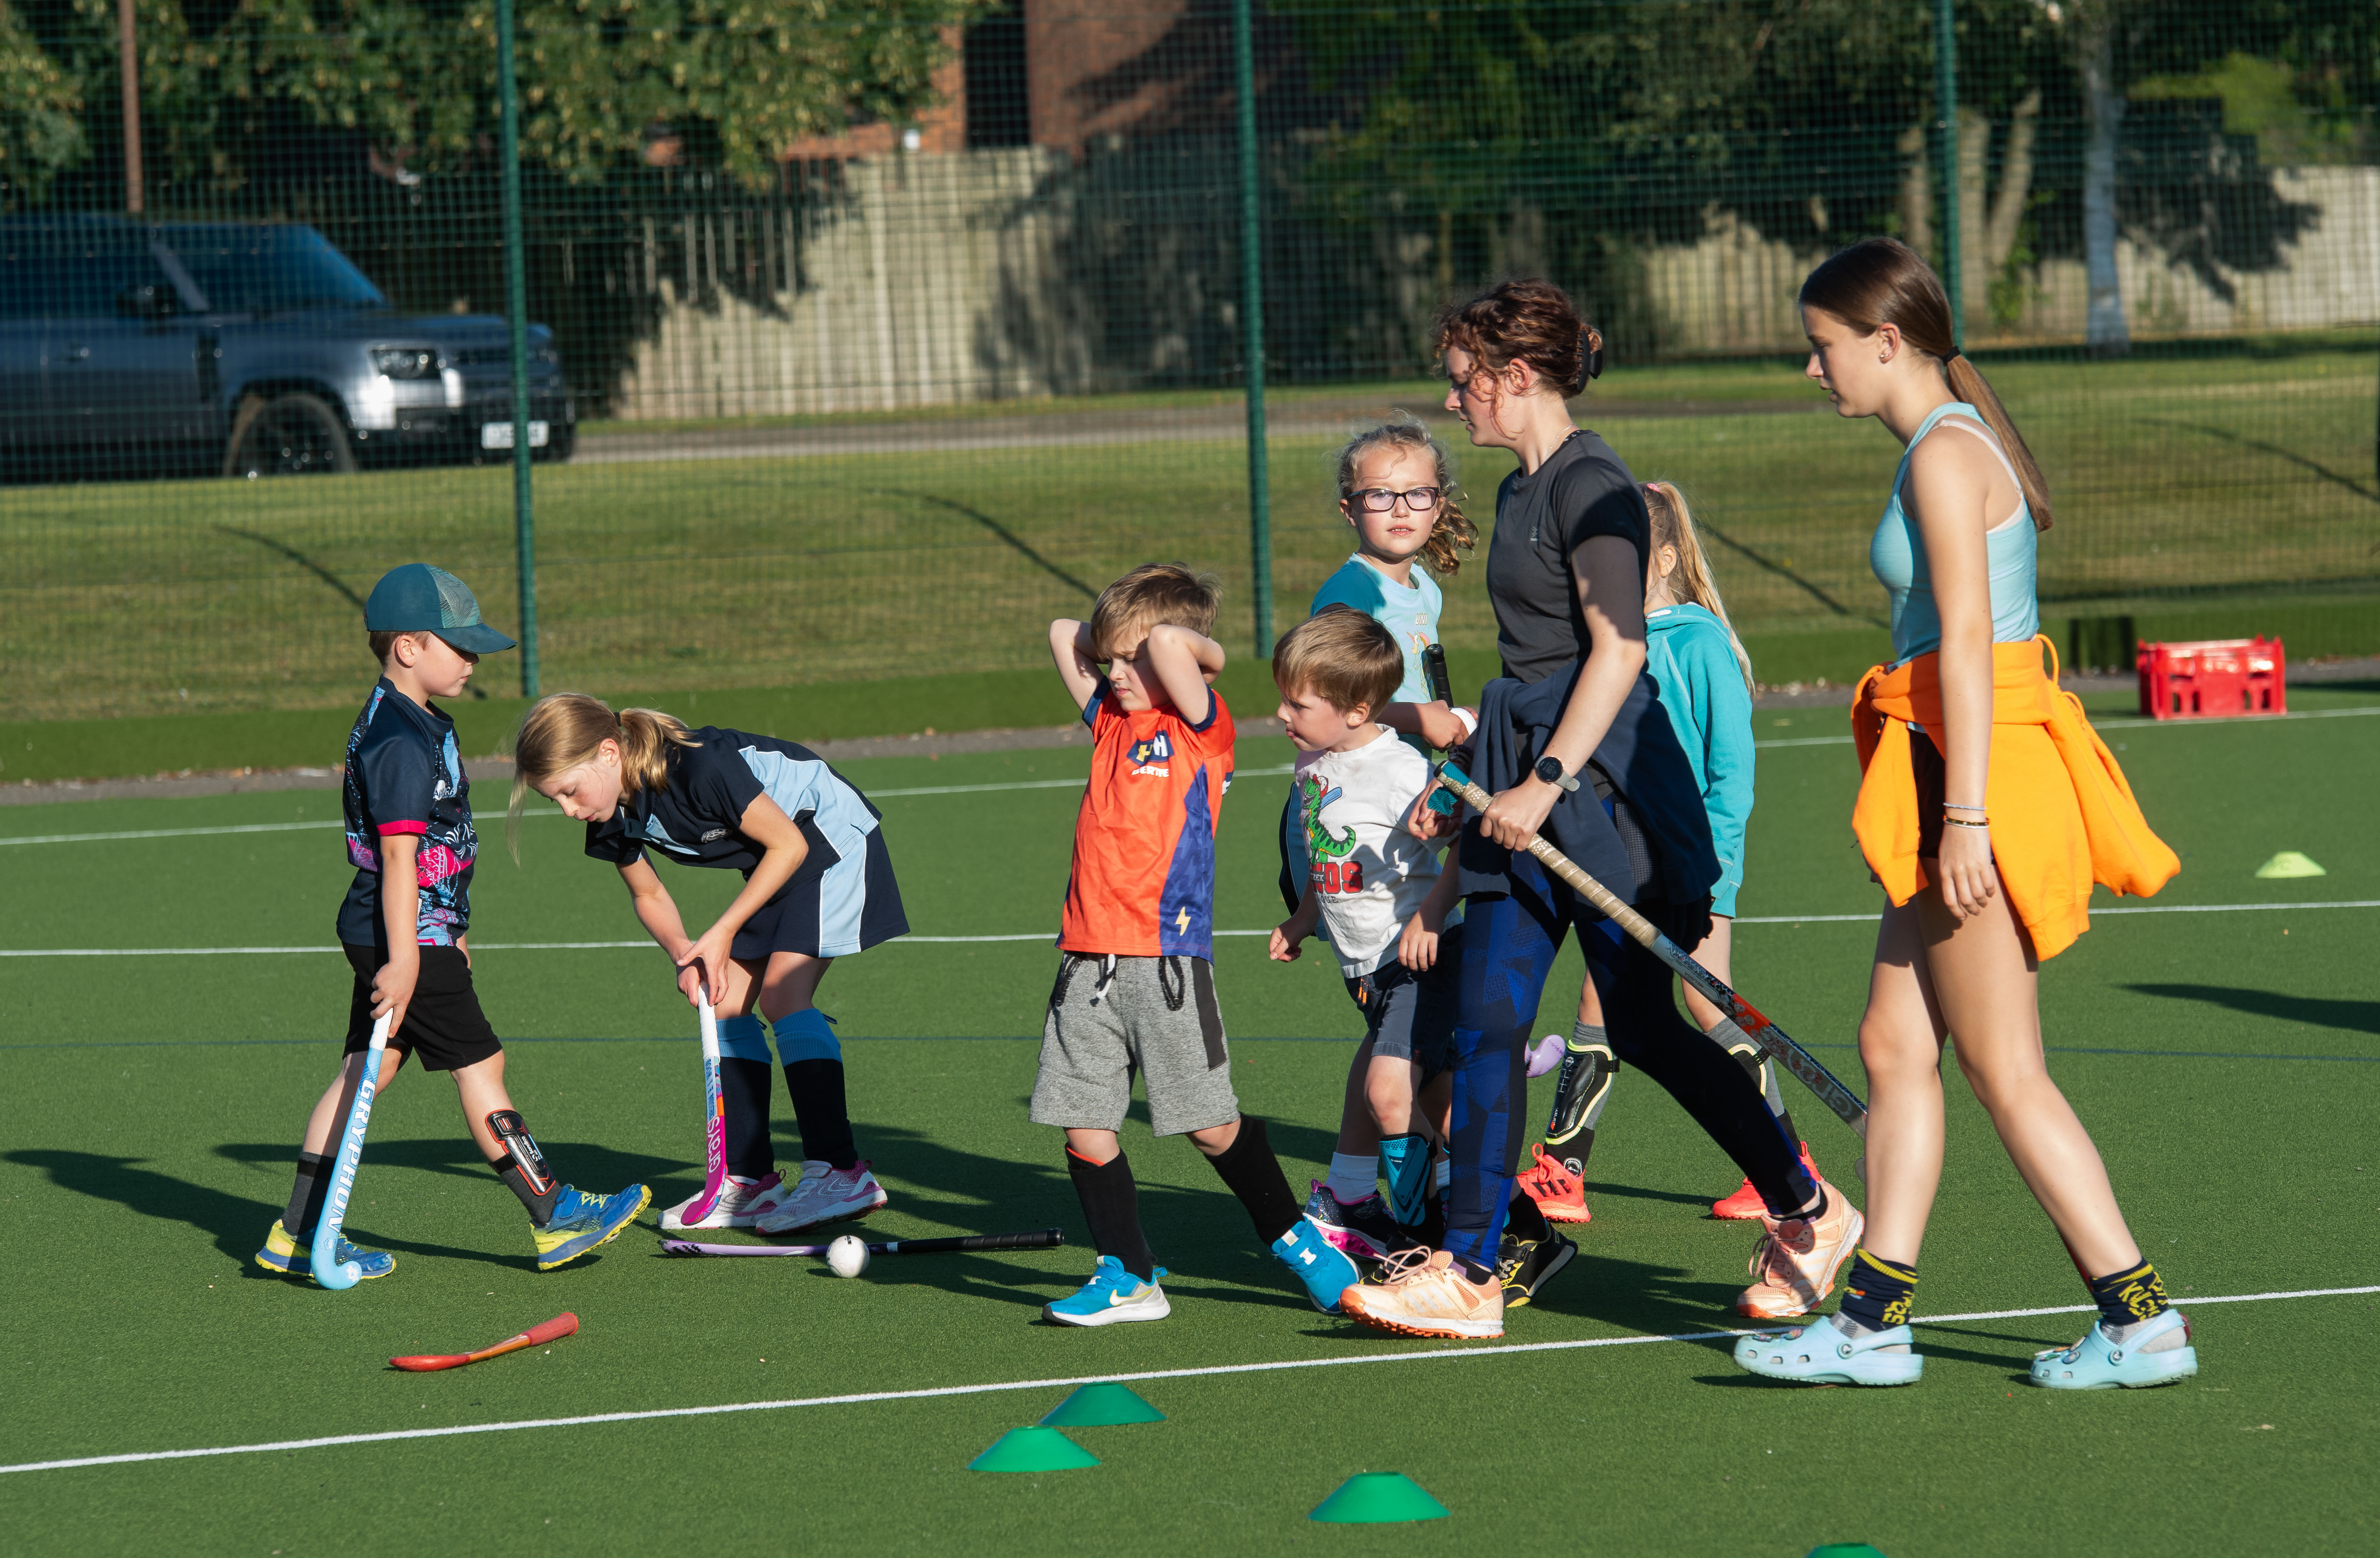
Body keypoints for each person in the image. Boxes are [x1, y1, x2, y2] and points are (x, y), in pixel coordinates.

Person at [1340, 280, 1853, 1343]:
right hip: (1525, 775)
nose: (1453, 405)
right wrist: (1489, 769)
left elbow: (1620, 647)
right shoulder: (1525, 489)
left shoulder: (1594, 486)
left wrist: (1547, 781)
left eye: (1463, 384)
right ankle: (1473, 1273)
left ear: (1516, 377)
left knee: (1645, 1030)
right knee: (1486, 1023)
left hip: (1602, 793)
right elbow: (1540, 663)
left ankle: (1810, 1208)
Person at [1737, 238, 2193, 1389]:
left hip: (1968, 773)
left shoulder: (1945, 459)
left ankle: (2140, 1319)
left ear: (1884, 341)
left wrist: (1968, 818)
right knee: (1894, 1045)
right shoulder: (1945, 447)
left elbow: (1975, 658)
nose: (1812, 369)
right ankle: (1873, 1322)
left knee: (2004, 1067)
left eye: (1822, 346)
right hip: (1953, 764)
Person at [255, 565, 650, 1283]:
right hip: (403, 932)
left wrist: (452, 927)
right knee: (480, 1065)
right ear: (407, 647)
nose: (470, 662)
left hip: (407, 928)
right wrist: (411, 955)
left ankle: (295, 1235)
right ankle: (556, 1215)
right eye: (457, 647)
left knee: (363, 1072)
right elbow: (401, 856)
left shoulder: (416, 720)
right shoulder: (400, 739)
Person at [1034, 563, 1360, 1325]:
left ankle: (1295, 1239)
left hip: (1166, 961)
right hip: (1086, 959)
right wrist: (1127, 648)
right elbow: (1061, 634)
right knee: (1084, 1120)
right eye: (1108, 662)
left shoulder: (1200, 730)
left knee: (1208, 1124)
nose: (1113, 674)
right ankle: (1128, 1272)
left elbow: (1179, 645)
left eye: (1129, 661)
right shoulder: (1112, 718)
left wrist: (1183, 648)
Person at [1513, 480, 1824, 1225]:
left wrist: (1716, 874)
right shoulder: (1607, 648)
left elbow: (1731, 774)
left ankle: (1784, 1159)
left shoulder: (1697, 641)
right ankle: (1564, 1168)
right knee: (1603, 994)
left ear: (1659, 556)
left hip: (1692, 865)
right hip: (1624, 856)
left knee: (1704, 1000)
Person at [510, 693, 907, 1236]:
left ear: (608, 754)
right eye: (555, 800)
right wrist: (684, 950)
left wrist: (719, 933)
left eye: (570, 792)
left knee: (783, 997)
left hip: (828, 838)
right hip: (783, 861)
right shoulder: (613, 814)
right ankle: (749, 1182)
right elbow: (647, 892)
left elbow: (788, 843)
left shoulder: (698, 766)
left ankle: (841, 1172)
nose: (570, 810)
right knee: (720, 1004)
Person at [1267, 609, 1486, 1273]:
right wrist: (1305, 917)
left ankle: (1421, 1243)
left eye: (1297, 703)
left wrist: (1429, 915)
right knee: (1426, 1102)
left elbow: (1463, 841)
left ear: (1359, 709)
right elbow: (1324, 855)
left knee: (1389, 1095)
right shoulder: (1316, 767)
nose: (1281, 714)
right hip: (1363, 967)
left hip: (1422, 957)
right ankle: (1437, 1211)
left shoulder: (1397, 770)